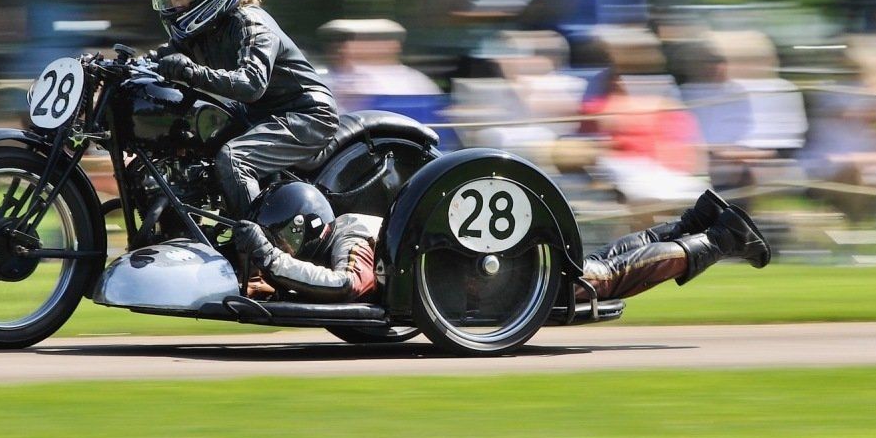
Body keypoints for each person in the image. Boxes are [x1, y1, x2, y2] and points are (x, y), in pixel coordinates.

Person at [230, 182, 770, 304]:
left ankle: (722, 237)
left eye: (282, 237)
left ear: (306, 227)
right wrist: (270, 281)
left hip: (498, 281)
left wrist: (272, 261)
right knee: (598, 262)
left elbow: (352, 285)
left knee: (598, 280)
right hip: (478, 275)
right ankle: (695, 219)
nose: (280, 247)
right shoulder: (346, 229)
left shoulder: (351, 233)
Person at [145, 0, 339, 217]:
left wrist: (192, 72)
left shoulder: (251, 23)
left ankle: (254, 241)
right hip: (259, 115)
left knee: (234, 160)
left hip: (306, 114)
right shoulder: (200, 30)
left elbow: (251, 84)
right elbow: (159, 58)